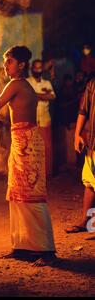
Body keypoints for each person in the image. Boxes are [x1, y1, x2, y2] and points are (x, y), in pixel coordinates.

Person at [0, 46, 56, 266]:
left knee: (32, 195)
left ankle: (46, 250)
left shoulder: (16, 84)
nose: (5, 65)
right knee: (18, 194)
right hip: (22, 141)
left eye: (9, 61)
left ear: (20, 65)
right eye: (5, 61)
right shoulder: (22, 84)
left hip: (26, 142)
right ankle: (22, 246)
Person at [65, 78, 95, 233]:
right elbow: (83, 110)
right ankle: (88, 222)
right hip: (93, 142)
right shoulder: (92, 84)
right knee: (90, 183)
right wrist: (77, 134)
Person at [27, 59, 55, 177]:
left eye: (40, 68)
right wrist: (43, 96)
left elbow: (52, 96)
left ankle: (47, 173)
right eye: (35, 68)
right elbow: (28, 96)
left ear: (42, 69)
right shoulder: (27, 82)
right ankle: (32, 173)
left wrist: (36, 95)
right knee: (31, 147)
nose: (37, 70)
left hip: (44, 119)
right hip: (31, 120)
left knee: (46, 146)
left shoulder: (47, 83)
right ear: (32, 69)